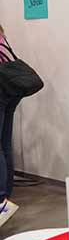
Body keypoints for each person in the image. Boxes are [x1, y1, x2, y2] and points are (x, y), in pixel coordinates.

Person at [0, 24, 20, 227]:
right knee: (5, 144)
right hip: (11, 93)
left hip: (1, 93)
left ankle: (1, 199)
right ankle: (6, 194)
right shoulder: (2, 37)